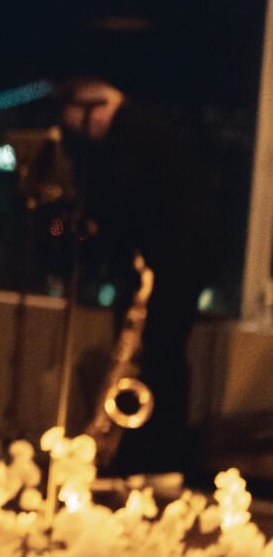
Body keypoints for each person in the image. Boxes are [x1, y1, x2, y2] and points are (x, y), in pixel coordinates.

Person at [54, 74, 218, 477]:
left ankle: (149, 458)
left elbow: (123, 208)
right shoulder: (149, 129)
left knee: (156, 359)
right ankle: (154, 459)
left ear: (96, 108)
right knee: (161, 358)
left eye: (81, 125)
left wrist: (94, 225)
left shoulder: (132, 136)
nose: (86, 136)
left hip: (165, 264)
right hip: (174, 262)